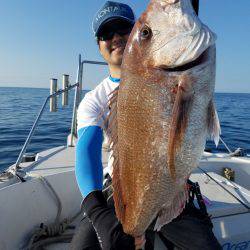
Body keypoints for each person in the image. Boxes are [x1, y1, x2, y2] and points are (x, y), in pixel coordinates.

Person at [72, 1, 221, 250]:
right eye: (106, 33)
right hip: (125, 192)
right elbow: (87, 148)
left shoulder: (179, 62)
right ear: (98, 46)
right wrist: (97, 211)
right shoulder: (93, 100)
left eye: (124, 29)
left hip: (173, 187)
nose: (116, 37)